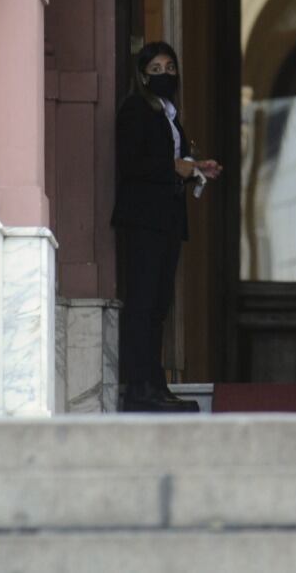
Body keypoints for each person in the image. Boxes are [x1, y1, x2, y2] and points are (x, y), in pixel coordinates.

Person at [112, 42, 222, 413]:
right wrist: (177, 167)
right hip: (143, 220)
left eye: (170, 67)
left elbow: (167, 163)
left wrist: (194, 169)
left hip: (166, 219)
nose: (164, 75)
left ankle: (154, 384)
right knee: (142, 304)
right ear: (143, 75)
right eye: (155, 69)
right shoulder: (135, 109)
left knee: (158, 305)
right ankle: (139, 388)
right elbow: (133, 163)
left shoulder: (169, 114)